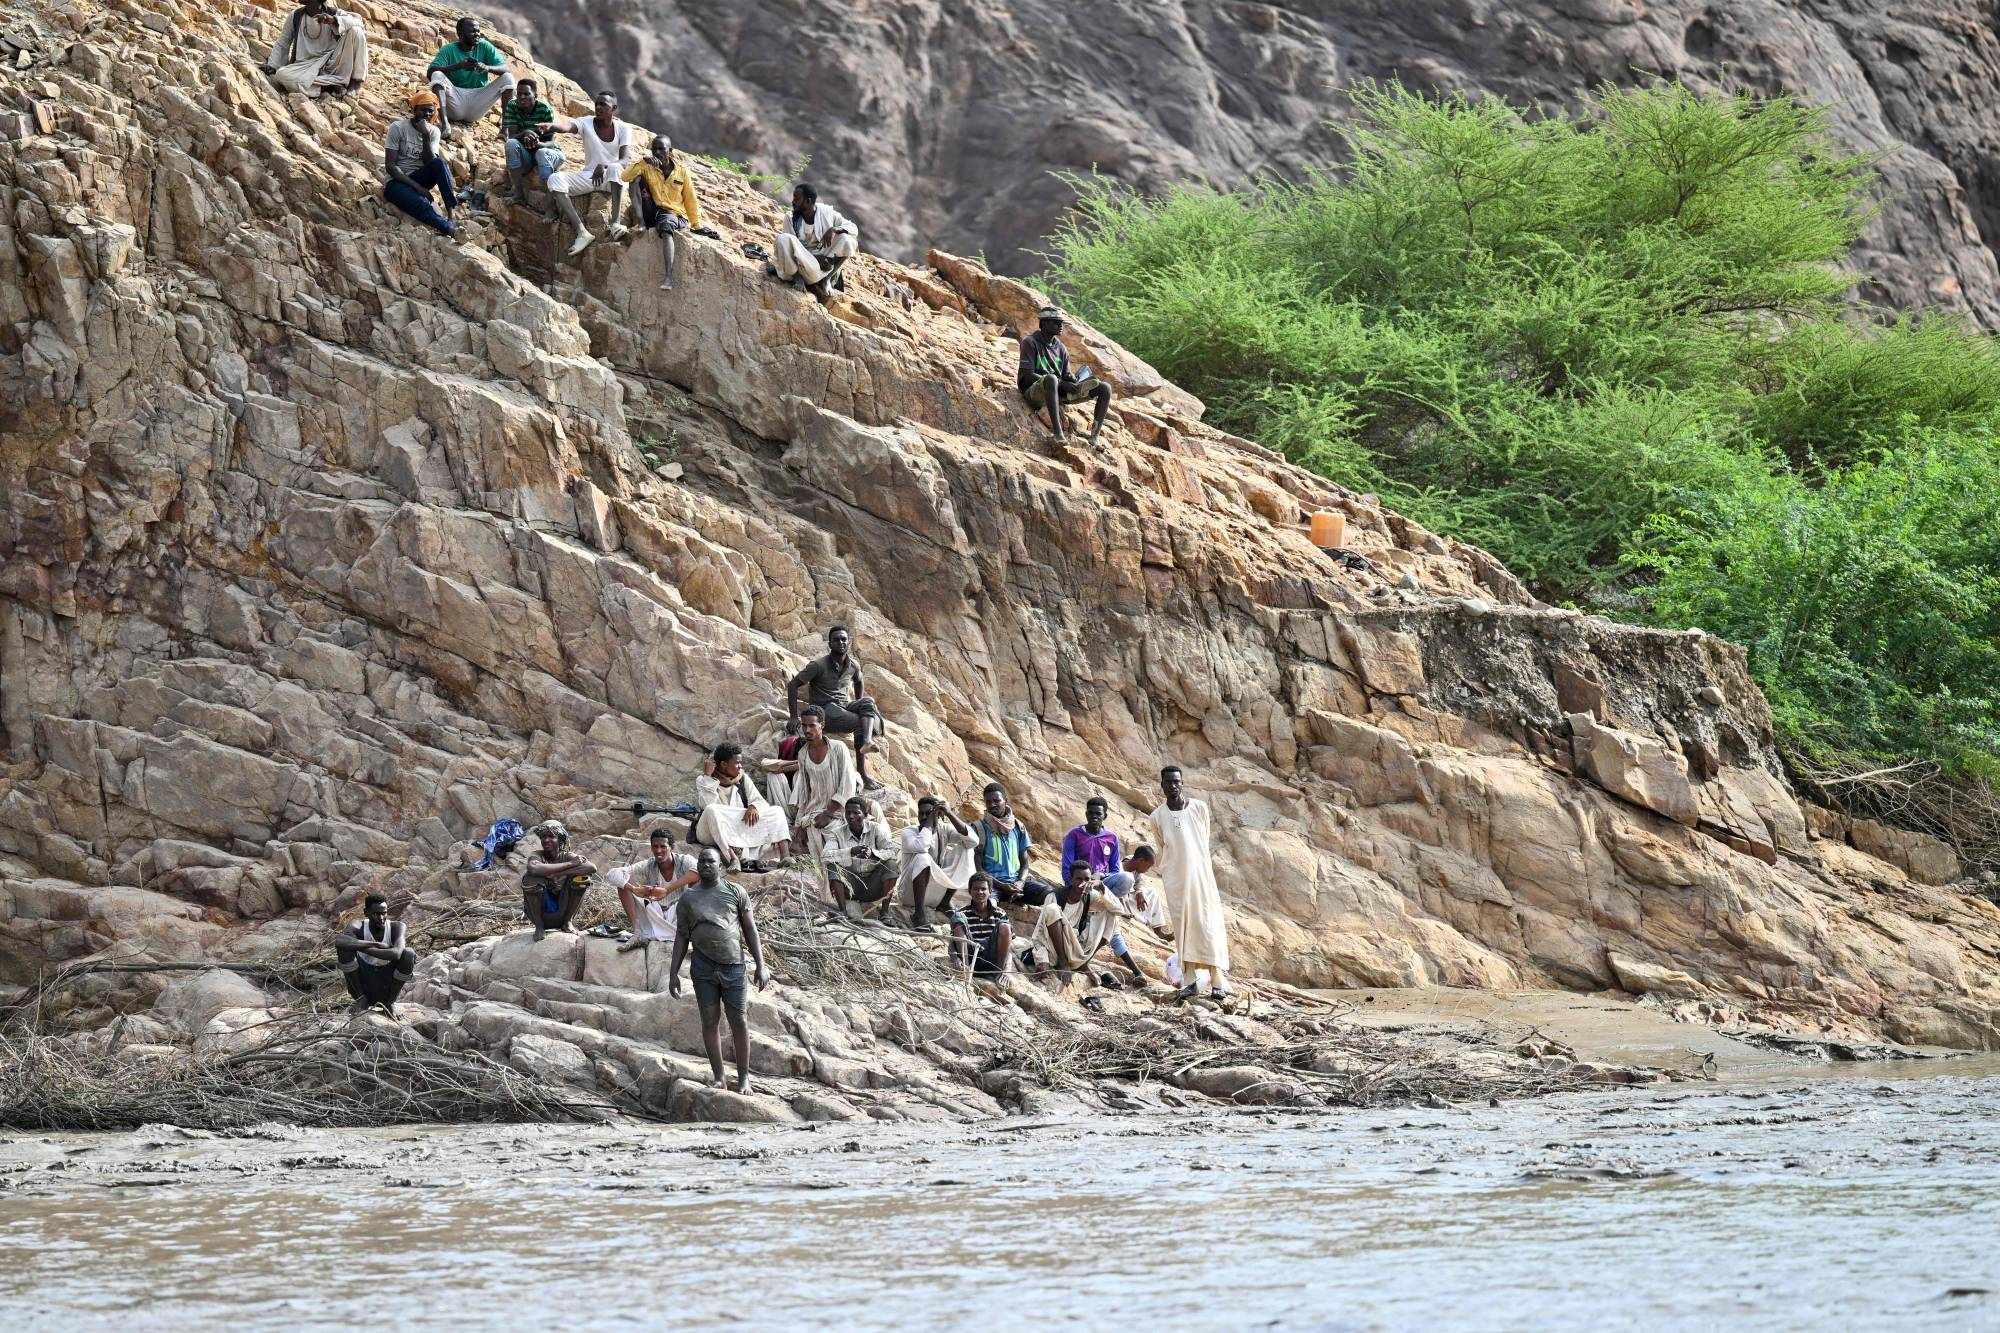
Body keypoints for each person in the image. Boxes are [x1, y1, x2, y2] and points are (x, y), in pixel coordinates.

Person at [667, 848, 769, 1093]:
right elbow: (681, 936)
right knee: (709, 1021)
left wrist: (761, 965)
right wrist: (673, 973)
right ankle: (719, 1077)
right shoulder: (688, 898)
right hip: (703, 967)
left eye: (710, 861)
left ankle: (744, 1078)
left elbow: (750, 930)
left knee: (739, 1020)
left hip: (733, 966)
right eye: (701, 861)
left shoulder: (736, 891)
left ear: (720, 866)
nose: (705, 865)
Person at [1151, 765, 1231, 1000]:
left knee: (1207, 924)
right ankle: (1190, 981)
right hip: (1175, 881)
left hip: (1201, 877)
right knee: (1183, 928)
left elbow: (1202, 840)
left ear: (1182, 783)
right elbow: (1163, 847)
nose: (1173, 786)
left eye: (1176, 781)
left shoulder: (1199, 808)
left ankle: (1217, 981)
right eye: (1168, 782)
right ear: (1162, 785)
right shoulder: (1157, 816)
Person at [785, 626, 883, 790]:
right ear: (830, 644)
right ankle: (863, 773)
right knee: (863, 722)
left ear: (849, 642)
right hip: (824, 711)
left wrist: (859, 704)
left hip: (844, 706)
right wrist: (793, 716)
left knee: (868, 703)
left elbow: (859, 681)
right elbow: (793, 685)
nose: (840, 642)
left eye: (843, 639)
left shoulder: (853, 665)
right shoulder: (818, 665)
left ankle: (866, 741)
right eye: (836, 640)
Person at [546, 91, 634, 257]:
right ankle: (582, 232)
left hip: (612, 179)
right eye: (597, 104)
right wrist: (552, 126)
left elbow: (625, 161)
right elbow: (568, 127)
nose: (598, 107)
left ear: (614, 108)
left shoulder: (623, 128)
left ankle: (615, 223)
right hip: (591, 177)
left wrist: (605, 165)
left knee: (615, 168)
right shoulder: (586, 122)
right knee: (555, 178)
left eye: (603, 105)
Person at [765, 707, 859, 856]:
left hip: (838, 811)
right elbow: (805, 792)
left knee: (834, 837)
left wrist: (828, 813)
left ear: (822, 725)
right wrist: (799, 824)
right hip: (813, 812)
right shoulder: (803, 754)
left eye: (812, 725)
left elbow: (847, 785)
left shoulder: (838, 748)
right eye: (804, 726)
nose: (807, 730)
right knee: (800, 838)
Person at [1018, 306, 1112, 446]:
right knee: (1051, 378)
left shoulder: (1061, 348)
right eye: (1056, 322)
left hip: (1057, 392)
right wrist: (1060, 382)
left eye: (1061, 322)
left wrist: (1071, 379)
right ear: (1044, 323)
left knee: (1105, 388)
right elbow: (1027, 375)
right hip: (1034, 391)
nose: (1060, 325)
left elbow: (1065, 374)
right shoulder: (1030, 342)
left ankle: (1094, 437)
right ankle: (1058, 434)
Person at [1023, 861, 1128, 981]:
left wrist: (1101, 886)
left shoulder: (1089, 895)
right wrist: (1043, 960)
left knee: (1111, 915)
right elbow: (1039, 933)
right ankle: (1063, 963)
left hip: (1074, 948)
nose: (1082, 883)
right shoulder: (1054, 896)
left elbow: (1119, 910)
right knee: (1052, 909)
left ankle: (1084, 963)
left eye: (1087, 879)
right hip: (1053, 948)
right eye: (1078, 879)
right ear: (1071, 879)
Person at [694, 742, 792, 869]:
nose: (740, 766)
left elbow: (760, 801)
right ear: (723, 764)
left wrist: (753, 807)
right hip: (710, 831)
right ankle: (733, 858)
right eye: (737, 763)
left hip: (736, 828)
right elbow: (707, 804)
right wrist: (708, 777)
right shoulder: (703, 780)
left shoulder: (742, 778)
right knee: (712, 810)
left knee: (776, 811)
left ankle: (785, 856)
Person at [622, 134, 702, 289]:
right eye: (654, 149)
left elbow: (690, 199)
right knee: (635, 180)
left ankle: (668, 278)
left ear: (670, 151)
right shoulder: (647, 165)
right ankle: (641, 223)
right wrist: (642, 162)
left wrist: (696, 224)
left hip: (671, 213)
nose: (657, 152)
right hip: (651, 210)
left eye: (661, 149)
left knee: (666, 227)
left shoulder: (681, 171)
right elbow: (625, 177)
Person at [603, 827, 698, 954]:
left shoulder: (684, 861)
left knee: (697, 883)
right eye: (655, 847)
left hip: (679, 914)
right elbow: (611, 874)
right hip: (656, 914)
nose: (658, 851)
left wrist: (667, 890)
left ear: (672, 847)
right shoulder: (649, 864)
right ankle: (638, 933)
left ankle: (691, 936)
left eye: (663, 846)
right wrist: (635, 889)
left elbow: (700, 871)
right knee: (623, 883)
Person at [425, 15, 515, 140]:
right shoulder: (448, 49)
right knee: (437, 74)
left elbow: (505, 68)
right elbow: (430, 72)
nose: (477, 34)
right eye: (473, 31)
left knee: (508, 78)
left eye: (478, 31)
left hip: (477, 102)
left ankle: (505, 131)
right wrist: (458, 66)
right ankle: (445, 124)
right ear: (460, 34)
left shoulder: (484, 46)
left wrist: (487, 68)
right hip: (455, 101)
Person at [382, 92, 458, 237]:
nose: (427, 114)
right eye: (423, 110)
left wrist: (425, 136)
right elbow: (390, 166)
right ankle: (447, 228)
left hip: (419, 177)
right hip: (397, 181)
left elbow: (430, 162)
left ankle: (451, 216)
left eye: (431, 111)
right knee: (420, 204)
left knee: (439, 163)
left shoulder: (433, 131)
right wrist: (418, 188)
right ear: (414, 109)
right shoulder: (398, 127)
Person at [768, 182, 858, 304]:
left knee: (847, 240)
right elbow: (788, 250)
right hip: (800, 267)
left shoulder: (826, 213)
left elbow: (853, 227)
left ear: (808, 201)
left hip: (821, 269)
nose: (793, 201)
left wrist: (834, 229)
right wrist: (815, 258)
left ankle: (827, 279)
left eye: (797, 198)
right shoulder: (790, 217)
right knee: (783, 238)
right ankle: (797, 278)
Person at [897, 794, 977, 929]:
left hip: (934, 896)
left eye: (928, 813)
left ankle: (945, 903)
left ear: (938, 815)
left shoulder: (943, 830)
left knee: (966, 849)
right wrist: (929, 822)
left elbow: (973, 841)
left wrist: (949, 813)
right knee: (922, 857)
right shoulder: (908, 832)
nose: (923, 817)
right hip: (909, 895)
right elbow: (921, 846)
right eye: (921, 814)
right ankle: (919, 914)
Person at [263, 0, 369, 97]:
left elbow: (358, 22)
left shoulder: (334, 13)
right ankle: (328, 86)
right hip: (305, 66)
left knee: (356, 31)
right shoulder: (295, 16)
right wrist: (273, 64)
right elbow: (283, 42)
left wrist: (334, 21)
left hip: (331, 63)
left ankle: (356, 82)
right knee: (282, 75)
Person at [975, 783, 1058, 907]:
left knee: (1051, 894)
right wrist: (1002, 886)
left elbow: (1024, 864)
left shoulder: (1018, 827)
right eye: (988, 802)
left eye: (996, 801)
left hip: (1016, 884)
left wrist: (1020, 882)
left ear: (1005, 800)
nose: (992, 805)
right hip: (993, 885)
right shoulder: (979, 828)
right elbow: (979, 869)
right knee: (988, 905)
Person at [334, 891, 416, 1016]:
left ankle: (390, 1003)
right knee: (344, 949)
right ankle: (361, 1000)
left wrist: (360, 947)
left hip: (386, 986)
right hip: (363, 985)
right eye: (376, 914)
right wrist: (376, 944)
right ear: (366, 913)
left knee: (409, 954)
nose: (381, 918)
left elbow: (396, 954)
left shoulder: (397, 927)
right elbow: (340, 941)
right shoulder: (358, 925)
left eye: (384, 913)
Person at [1101, 843, 1171, 983]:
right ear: (1140, 860)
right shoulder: (1118, 869)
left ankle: (1158, 930)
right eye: (1148, 866)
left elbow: (1139, 882)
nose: (1148, 870)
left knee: (1152, 893)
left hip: (1127, 897)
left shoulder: (1135, 867)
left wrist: (1139, 892)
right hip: (1115, 898)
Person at [822, 796, 899, 917]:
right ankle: (842, 911)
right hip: (850, 888)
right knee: (832, 867)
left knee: (891, 865)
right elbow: (825, 856)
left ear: (865, 815)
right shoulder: (837, 833)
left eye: (856, 813)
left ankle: (885, 913)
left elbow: (893, 851)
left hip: (874, 886)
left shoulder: (876, 829)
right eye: (848, 813)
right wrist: (851, 851)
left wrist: (873, 853)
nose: (851, 816)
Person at [521, 819, 595, 941]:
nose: (546, 840)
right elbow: (533, 868)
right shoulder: (537, 855)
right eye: (543, 837)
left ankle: (567, 922)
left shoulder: (567, 855)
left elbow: (591, 867)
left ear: (560, 839)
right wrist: (570, 864)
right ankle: (539, 927)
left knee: (582, 878)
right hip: (541, 913)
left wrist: (559, 873)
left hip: (563, 909)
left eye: (551, 836)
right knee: (530, 878)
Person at [501, 78, 562, 205]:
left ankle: (549, 205)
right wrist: (525, 133)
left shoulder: (544, 109)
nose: (522, 97)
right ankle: (519, 194)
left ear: (535, 95)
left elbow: (551, 143)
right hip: (525, 155)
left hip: (542, 152)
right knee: (511, 144)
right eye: (519, 94)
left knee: (542, 153)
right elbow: (511, 136)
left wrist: (537, 144)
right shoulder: (512, 106)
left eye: (526, 94)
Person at [949, 873, 1013, 982]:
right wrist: (955, 958)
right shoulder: (963, 913)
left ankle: (998, 972)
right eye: (976, 889)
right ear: (969, 891)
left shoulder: (1000, 913)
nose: (980, 892)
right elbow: (952, 942)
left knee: (1005, 926)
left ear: (990, 891)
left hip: (992, 959)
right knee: (958, 918)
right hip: (971, 956)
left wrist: (1006, 971)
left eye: (983, 889)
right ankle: (966, 970)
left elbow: (1008, 947)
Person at [1060, 797, 1122, 885]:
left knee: (1126, 878)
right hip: (1079, 881)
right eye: (1091, 813)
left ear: (1105, 816)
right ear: (1086, 814)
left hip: (1100, 881)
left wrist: (1102, 875)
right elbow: (1066, 867)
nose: (1094, 816)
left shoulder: (1112, 838)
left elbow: (1115, 871)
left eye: (1098, 814)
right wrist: (1073, 884)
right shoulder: (1074, 834)